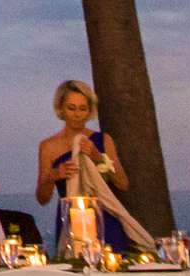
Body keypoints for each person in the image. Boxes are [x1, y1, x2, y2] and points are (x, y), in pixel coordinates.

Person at [37, 80, 132, 253]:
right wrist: (54, 175)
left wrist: (98, 158)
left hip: (105, 218)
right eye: (71, 108)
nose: (77, 114)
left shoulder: (103, 141)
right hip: (71, 219)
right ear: (61, 109)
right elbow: (42, 198)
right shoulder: (48, 146)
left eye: (82, 109)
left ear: (89, 111)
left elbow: (123, 184)